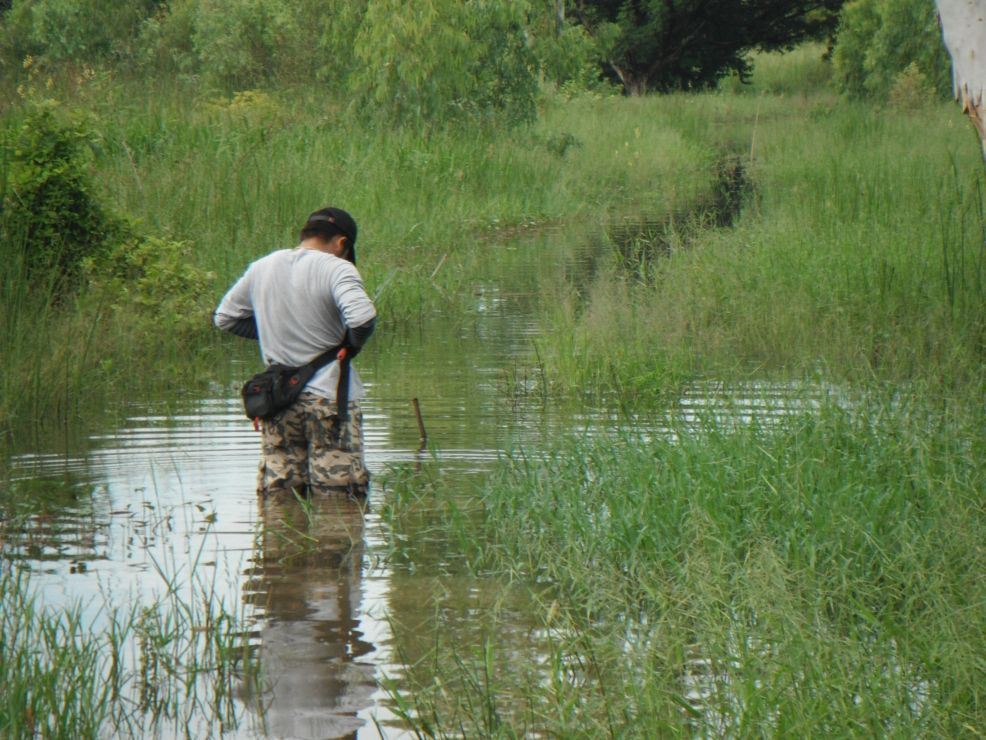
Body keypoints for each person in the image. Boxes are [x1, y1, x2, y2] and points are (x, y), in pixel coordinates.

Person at [214, 207, 377, 498]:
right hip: (329, 398)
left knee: (280, 500)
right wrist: (350, 345)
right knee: (339, 501)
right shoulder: (337, 267)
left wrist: (269, 330)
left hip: (277, 401)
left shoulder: (262, 266)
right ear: (341, 243)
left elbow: (225, 318)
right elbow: (362, 317)